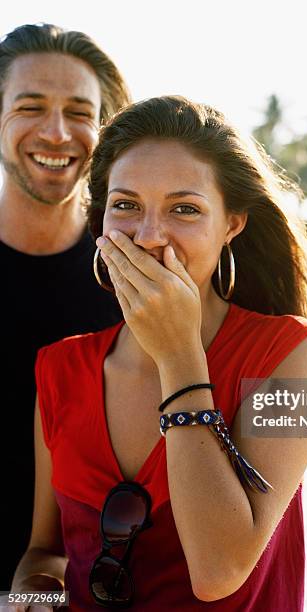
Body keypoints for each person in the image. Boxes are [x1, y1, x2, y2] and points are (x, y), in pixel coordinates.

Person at [12, 96, 307, 610]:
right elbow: (45, 554)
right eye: (126, 205)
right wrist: (31, 596)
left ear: (232, 224)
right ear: (101, 221)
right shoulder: (59, 367)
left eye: (184, 209)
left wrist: (178, 353)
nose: (149, 236)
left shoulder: (290, 354)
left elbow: (218, 571)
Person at [0, 23, 130, 588]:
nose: (57, 132)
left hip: (87, 585)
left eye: (79, 112)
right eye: (30, 106)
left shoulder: (133, 277)